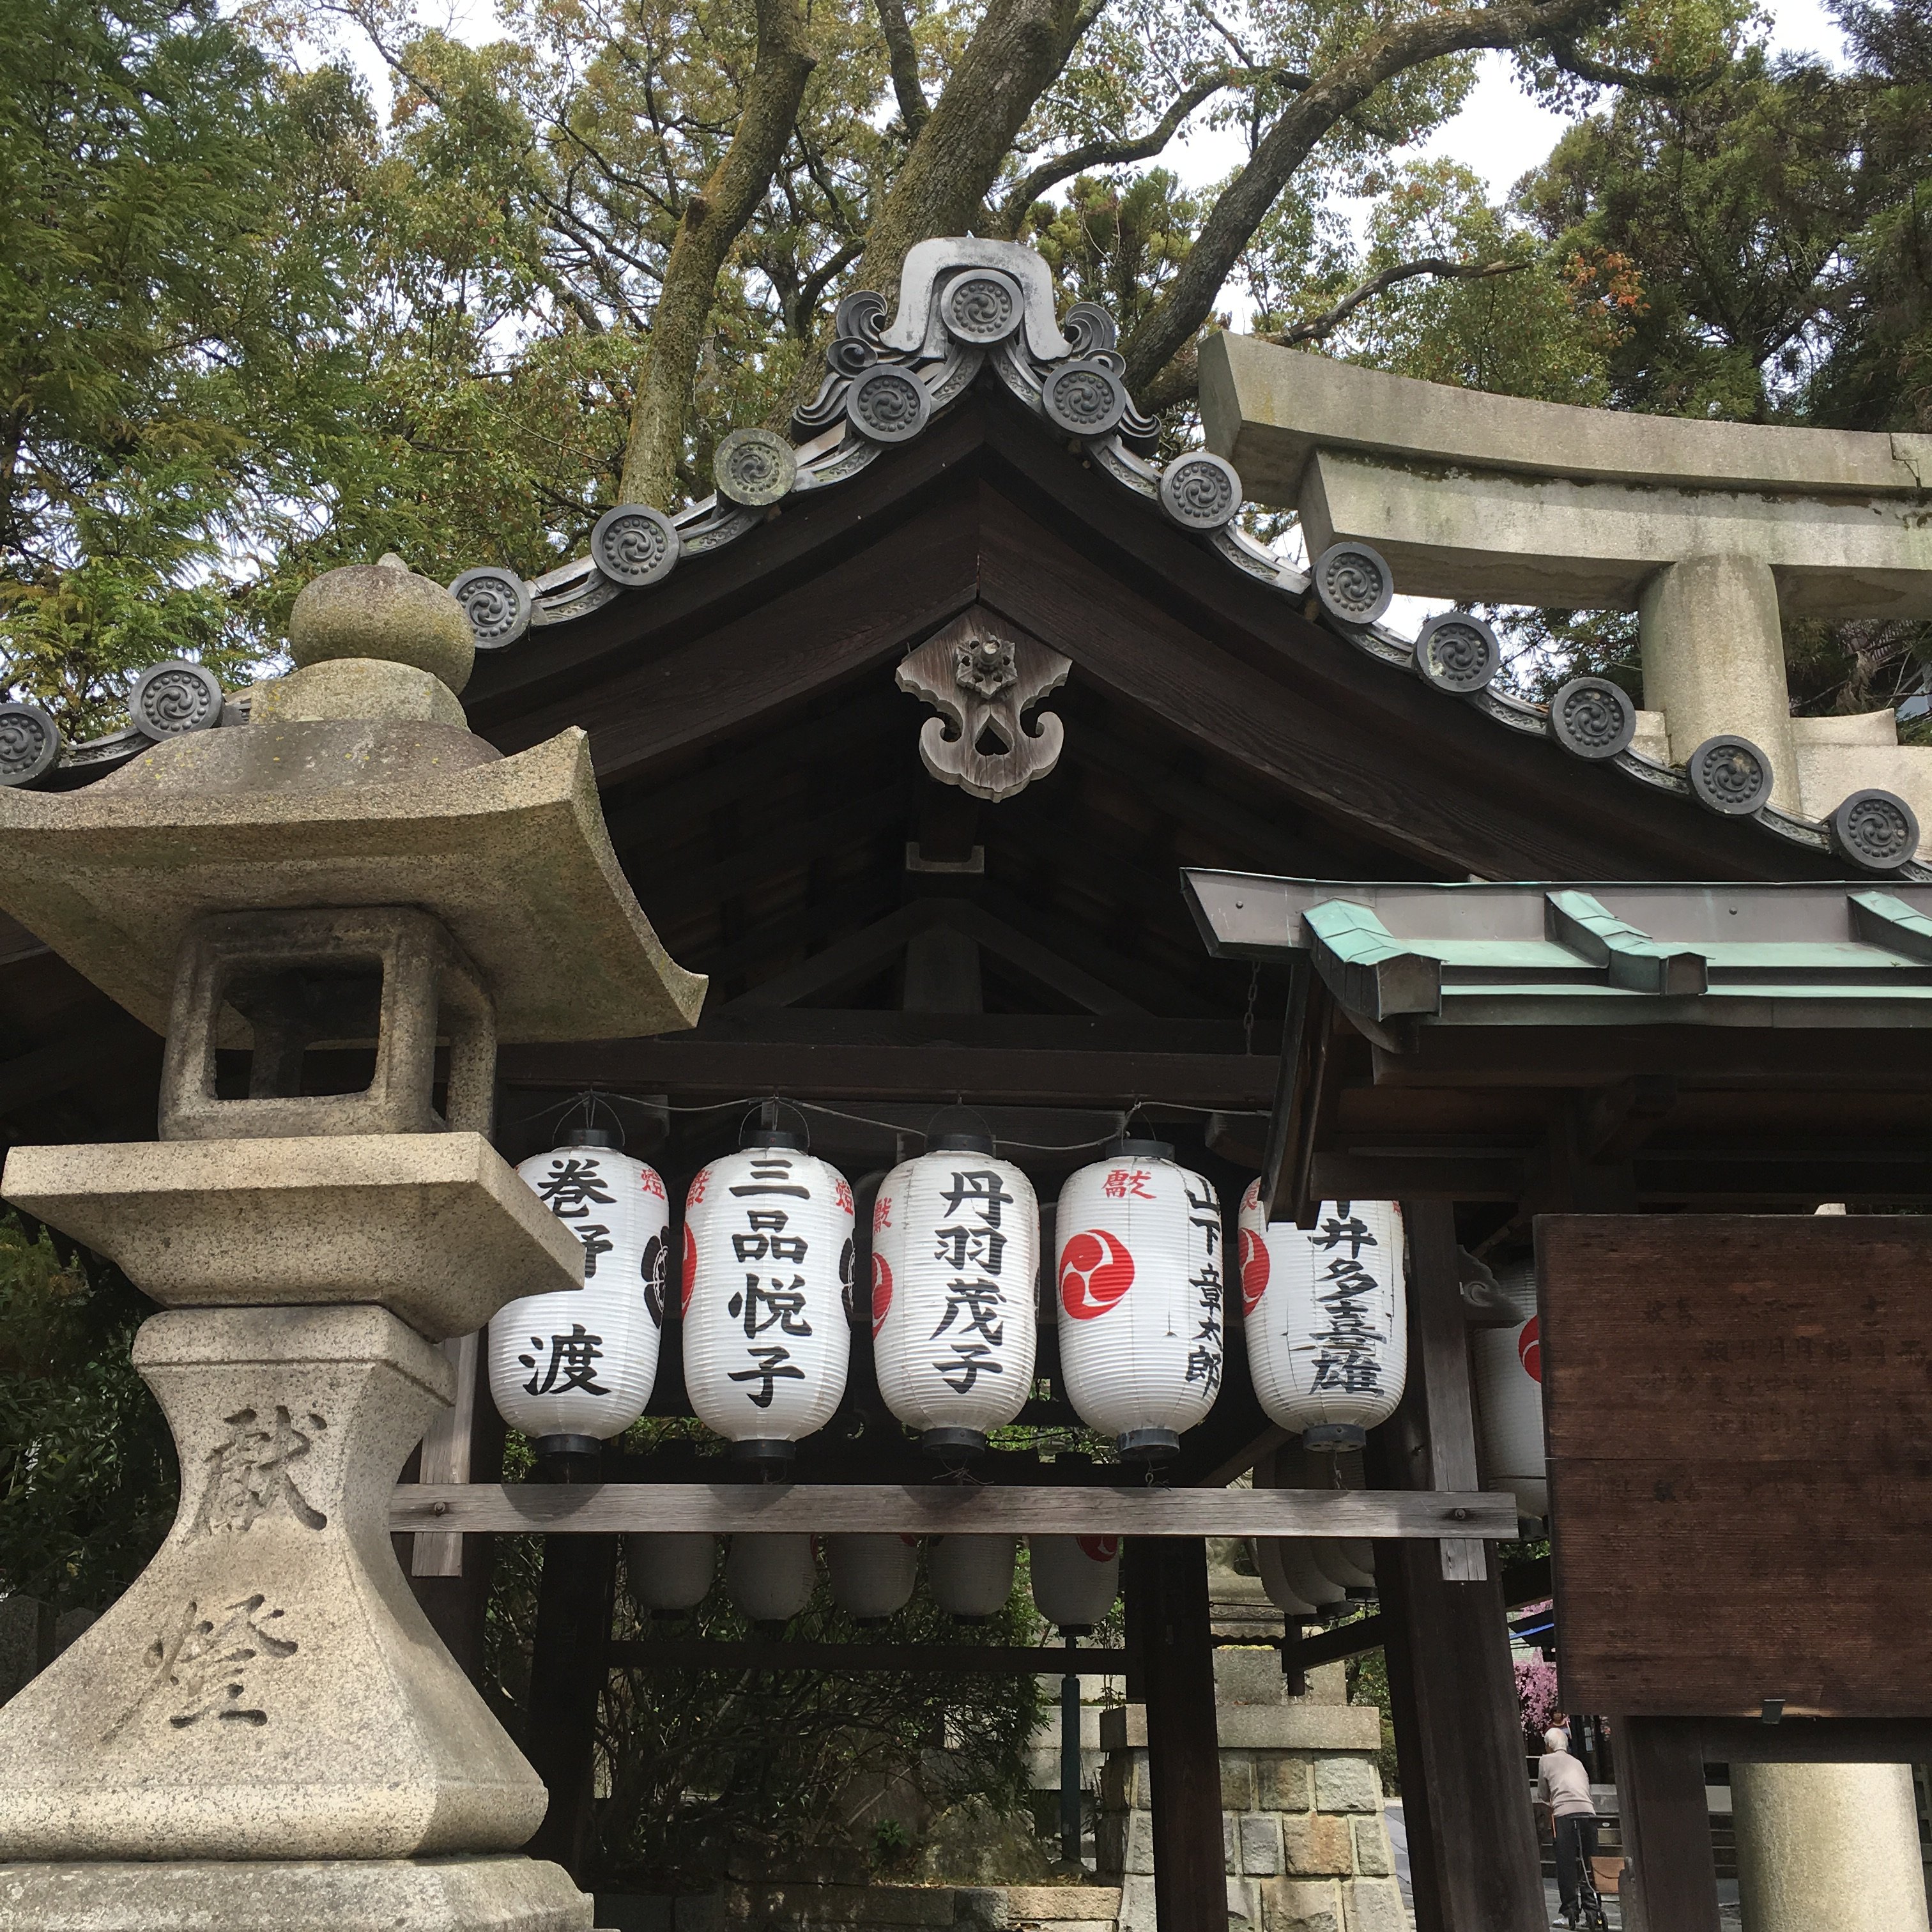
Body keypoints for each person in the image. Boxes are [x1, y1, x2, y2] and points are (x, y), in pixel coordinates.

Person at [1535, 1724, 1599, 1927]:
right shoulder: (1577, 1763)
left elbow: (1543, 1794)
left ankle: (1569, 1913)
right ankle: (1593, 1912)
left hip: (1565, 1815)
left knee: (1566, 1865)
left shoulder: (1546, 1760)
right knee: (1588, 1865)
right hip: (1589, 1814)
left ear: (1548, 1746)